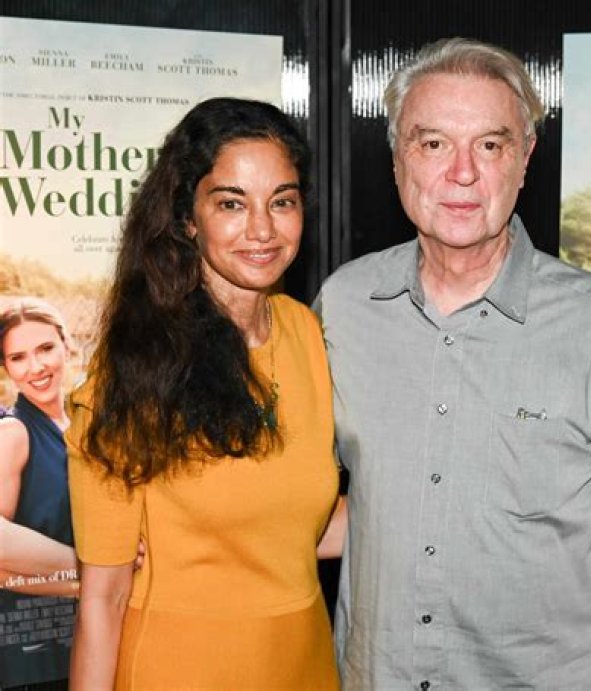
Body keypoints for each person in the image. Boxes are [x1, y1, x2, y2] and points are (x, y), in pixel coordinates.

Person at [314, 38, 591, 689]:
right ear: (397, 158)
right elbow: (309, 503)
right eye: (433, 143)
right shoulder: (344, 306)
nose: (463, 172)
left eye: (490, 145)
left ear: (524, 159)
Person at [66, 98, 342, 690]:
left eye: (282, 201)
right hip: (178, 668)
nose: (262, 230)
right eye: (231, 203)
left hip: (305, 665)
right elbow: (103, 600)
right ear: (188, 218)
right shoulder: (136, 371)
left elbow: (302, 521)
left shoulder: (306, 333)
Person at [0, 297, 79, 691]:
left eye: (45, 348)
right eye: (18, 357)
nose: (36, 367)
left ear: (67, 345)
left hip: (82, 635)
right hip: (30, 653)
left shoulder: (83, 424)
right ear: (6, 368)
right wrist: (93, 573)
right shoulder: (12, 433)